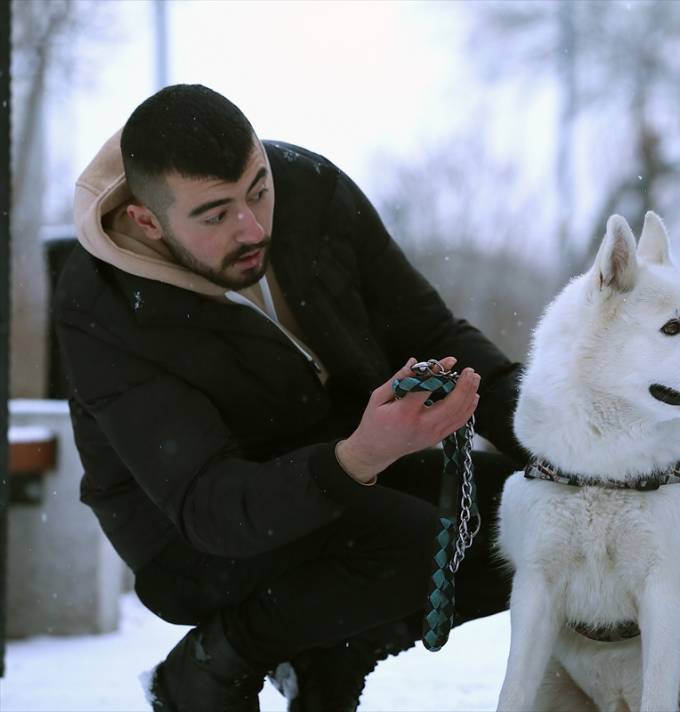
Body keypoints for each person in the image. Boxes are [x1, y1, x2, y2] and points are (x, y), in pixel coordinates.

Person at [55, 84, 527, 711]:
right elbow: (209, 504)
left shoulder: (311, 189)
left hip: (335, 465)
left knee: (532, 516)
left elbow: (432, 333)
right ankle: (216, 661)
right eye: (216, 214)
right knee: (417, 542)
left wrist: (563, 439)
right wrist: (357, 457)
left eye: (258, 189)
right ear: (148, 220)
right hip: (187, 534)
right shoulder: (103, 306)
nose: (252, 227)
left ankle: (333, 651)